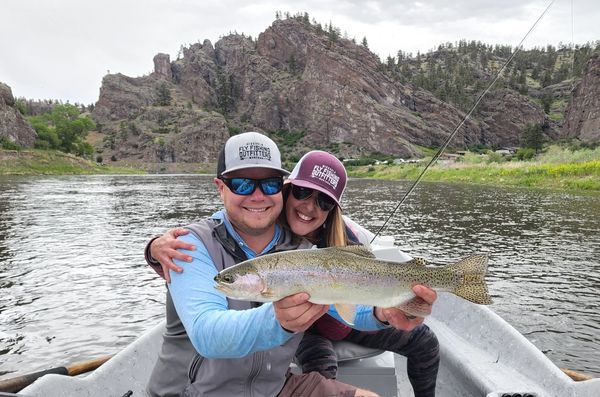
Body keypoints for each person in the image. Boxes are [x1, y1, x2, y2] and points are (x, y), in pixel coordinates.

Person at [146, 132, 435, 397]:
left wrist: (382, 312)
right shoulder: (187, 245)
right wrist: (279, 320)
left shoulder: (302, 250)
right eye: (243, 184)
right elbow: (208, 335)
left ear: (280, 188)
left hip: (273, 388)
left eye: (269, 183)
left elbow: (343, 305)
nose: (257, 195)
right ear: (221, 188)